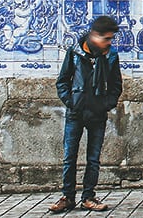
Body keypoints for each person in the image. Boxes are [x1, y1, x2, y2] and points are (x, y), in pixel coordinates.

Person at [50, 16, 123, 214]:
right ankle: (67, 197)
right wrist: (70, 101)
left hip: (97, 114)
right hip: (76, 112)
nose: (109, 43)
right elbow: (62, 81)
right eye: (106, 38)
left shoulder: (111, 56)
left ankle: (88, 197)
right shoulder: (75, 53)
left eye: (110, 39)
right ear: (94, 36)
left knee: (93, 159)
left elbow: (116, 86)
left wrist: (106, 104)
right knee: (69, 157)